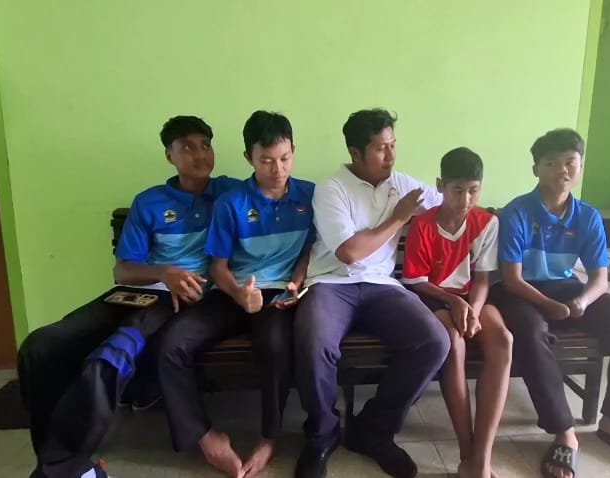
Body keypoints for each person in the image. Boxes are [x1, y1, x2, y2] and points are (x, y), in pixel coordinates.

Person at [17, 115, 241, 478]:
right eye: (187, 147)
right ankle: (61, 463)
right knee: (40, 347)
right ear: (169, 155)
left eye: (205, 145)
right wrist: (163, 273)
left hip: (179, 301)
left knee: (108, 358)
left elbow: (272, 193)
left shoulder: (229, 194)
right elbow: (123, 271)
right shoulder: (149, 202)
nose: (200, 155)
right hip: (132, 294)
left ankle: (64, 469)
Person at [492, 128, 610, 478]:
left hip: (566, 288)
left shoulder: (588, 217)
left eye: (570, 162)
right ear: (536, 169)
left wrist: (582, 301)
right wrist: (550, 306)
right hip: (520, 292)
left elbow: (599, 279)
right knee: (530, 331)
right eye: (551, 162)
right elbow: (512, 279)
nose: (562, 170)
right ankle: (564, 432)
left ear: (581, 166)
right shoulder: (517, 212)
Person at [156, 111, 314, 478]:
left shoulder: (311, 195)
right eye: (266, 160)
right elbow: (217, 266)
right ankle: (204, 436)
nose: (278, 169)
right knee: (171, 344)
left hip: (279, 294)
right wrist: (239, 294)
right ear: (249, 158)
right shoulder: (232, 202)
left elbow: (311, 249)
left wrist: (297, 280)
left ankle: (269, 437)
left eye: (285, 158)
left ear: (293, 151)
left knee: (274, 344)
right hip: (232, 291)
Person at [293, 108, 450, 478]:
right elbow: (349, 252)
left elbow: (447, 207)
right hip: (332, 284)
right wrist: (399, 217)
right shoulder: (331, 189)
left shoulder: (403, 183)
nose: (391, 155)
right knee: (314, 341)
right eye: (381, 148)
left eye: (393, 145)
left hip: (383, 287)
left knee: (434, 341)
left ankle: (373, 430)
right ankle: (322, 435)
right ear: (356, 152)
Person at [401, 147, 512, 478]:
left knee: (503, 341)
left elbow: (483, 280)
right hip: (433, 297)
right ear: (441, 186)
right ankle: (466, 451)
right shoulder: (423, 224)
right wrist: (454, 303)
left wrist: (472, 310)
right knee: (454, 343)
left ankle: (482, 457)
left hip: (473, 298)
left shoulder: (487, 223)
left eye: (473, 190)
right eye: (457, 190)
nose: (466, 200)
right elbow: (416, 281)